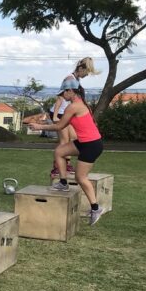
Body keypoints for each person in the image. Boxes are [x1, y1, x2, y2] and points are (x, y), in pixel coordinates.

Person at [29, 78, 105, 225]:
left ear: (70, 91)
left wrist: (39, 127)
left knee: (81, 178)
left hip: (91, 145)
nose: (62, 96)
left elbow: (59, 126)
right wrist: (42, 123)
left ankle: (96, 208)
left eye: (63, 93)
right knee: (59, 151)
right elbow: (62, 123)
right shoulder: (78, 104)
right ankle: (63, 182)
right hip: (84, 142)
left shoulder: (74, 106)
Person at [50, 57, 100, 178]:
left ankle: (65, 164)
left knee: (73, 137)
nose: (87, 75)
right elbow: (60, 98)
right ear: (80, 68)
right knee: (64, 140)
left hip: (68, 112)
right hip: (60, 113)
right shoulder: (69, 79)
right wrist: (56, 116)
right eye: (87, 72)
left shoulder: (76, 79)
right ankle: (57, 168)